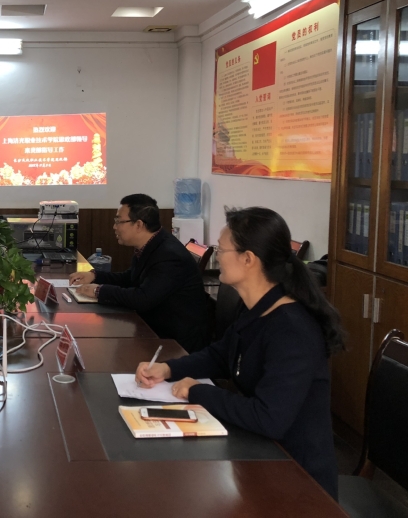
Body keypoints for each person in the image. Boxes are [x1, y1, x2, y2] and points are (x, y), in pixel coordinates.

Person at [135, 207, 345, 499]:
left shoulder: (292, 329)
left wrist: (197, 390)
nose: (218, 256)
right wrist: (169, 369)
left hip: (297, 479)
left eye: (222, 249)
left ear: (248, 259)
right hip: (257, 455)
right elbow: (222, 355)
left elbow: (268, 418)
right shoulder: (256, 309)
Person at [69, 194, 210, 352]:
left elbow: (142, 299)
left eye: (119, 221)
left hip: (174, 343)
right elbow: (130, 278)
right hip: (152, 329)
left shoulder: (169, 255)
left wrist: (99, 291)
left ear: (138, 225)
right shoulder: (151, 244)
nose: (114, 227)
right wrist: (95, 276)